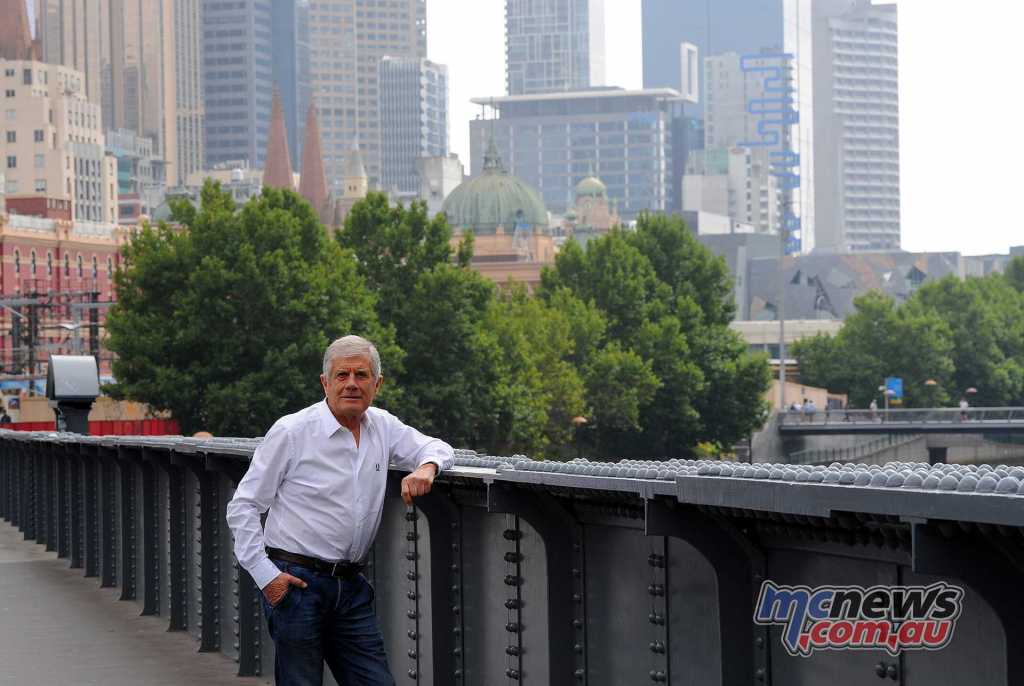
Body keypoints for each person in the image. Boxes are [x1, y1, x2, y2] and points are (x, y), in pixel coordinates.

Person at [226, 335, 454, 686]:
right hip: (297, 584)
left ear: (377, 384)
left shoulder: (383, 426)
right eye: (342, 375)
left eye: (361, 375)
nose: (351, 384)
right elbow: (244, 506)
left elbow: (435, 446)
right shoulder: (292, 431)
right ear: (325, 382)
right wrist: (266, 576)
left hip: (351, 588)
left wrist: (427, 467)